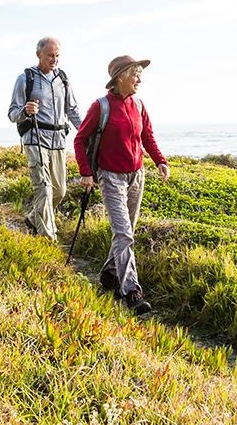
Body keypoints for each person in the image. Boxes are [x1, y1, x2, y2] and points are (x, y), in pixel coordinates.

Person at [73, 55, 170, 315]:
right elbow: (80, 140)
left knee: (125, 232)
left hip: (137, 176)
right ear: (120, 77)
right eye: (135, 74)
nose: (139, 79)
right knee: (124, 233)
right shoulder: (101, 106)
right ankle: (131, 291)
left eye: (140, 74)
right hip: (111, 177)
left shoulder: (139, 105)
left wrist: (160, 160)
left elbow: (147, 136)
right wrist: (86, 173)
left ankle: (108, 274)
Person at [8, 37, 83, 240]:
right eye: (50, 55)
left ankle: (33, 218)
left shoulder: (63, 79)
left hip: (58, 140)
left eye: (57, 55)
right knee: (44, 190)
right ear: (38, 54)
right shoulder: (25, 78)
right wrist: (25, 110)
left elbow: (72, 110)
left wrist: (86, 132)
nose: (54, 59)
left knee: (59, 190)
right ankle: (48, 238)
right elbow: (12, 113)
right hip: (35, 138)